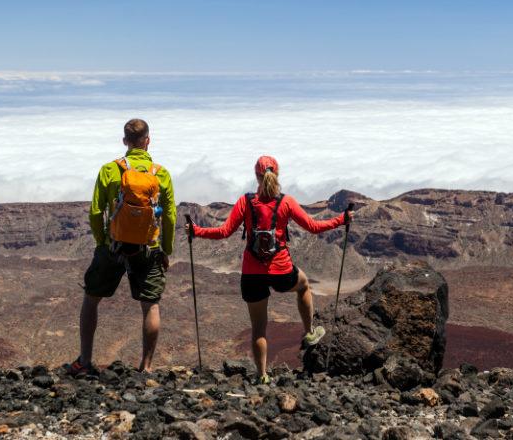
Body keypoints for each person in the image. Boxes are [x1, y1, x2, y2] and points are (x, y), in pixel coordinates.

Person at [186, 156, 350, 384]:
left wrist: (196, 230)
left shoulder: (245, 202)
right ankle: (310, 332)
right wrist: (341, 219)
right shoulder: (286, 202)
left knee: (258, 329)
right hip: (281, 270)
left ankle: (262, 375)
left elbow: (224, 232)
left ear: (256, 176)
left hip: (252, 273)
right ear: (278, 174)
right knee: (303, 285)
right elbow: (313, 227)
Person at [65, 118, 177, 375]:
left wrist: (102, 242)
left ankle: (85, 360)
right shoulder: (161, 174)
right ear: (148, 140)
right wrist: (165, 250)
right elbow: (169, 216)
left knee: (91, 299)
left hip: (112, 246)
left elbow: (95, 212)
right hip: (148, 249)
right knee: (150, 304)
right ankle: (146, 368)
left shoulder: (109, 170)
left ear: (125, 141)